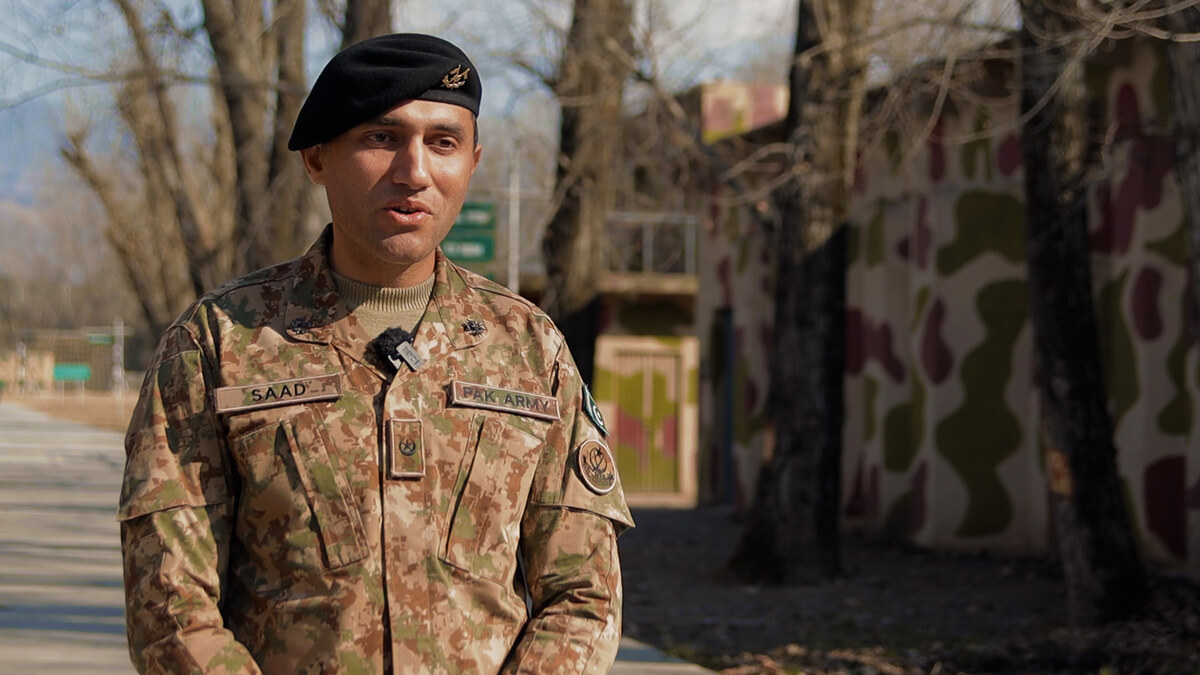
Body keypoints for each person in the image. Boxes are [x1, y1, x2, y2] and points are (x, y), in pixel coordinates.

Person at [118, 33, 633, 674]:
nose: (414, 171)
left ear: (472, 162)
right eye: (381, 138)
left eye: (442, 142)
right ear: (316, 158)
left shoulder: (528, 350)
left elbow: (583, 596)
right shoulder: (221, 343)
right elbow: (170, 607)